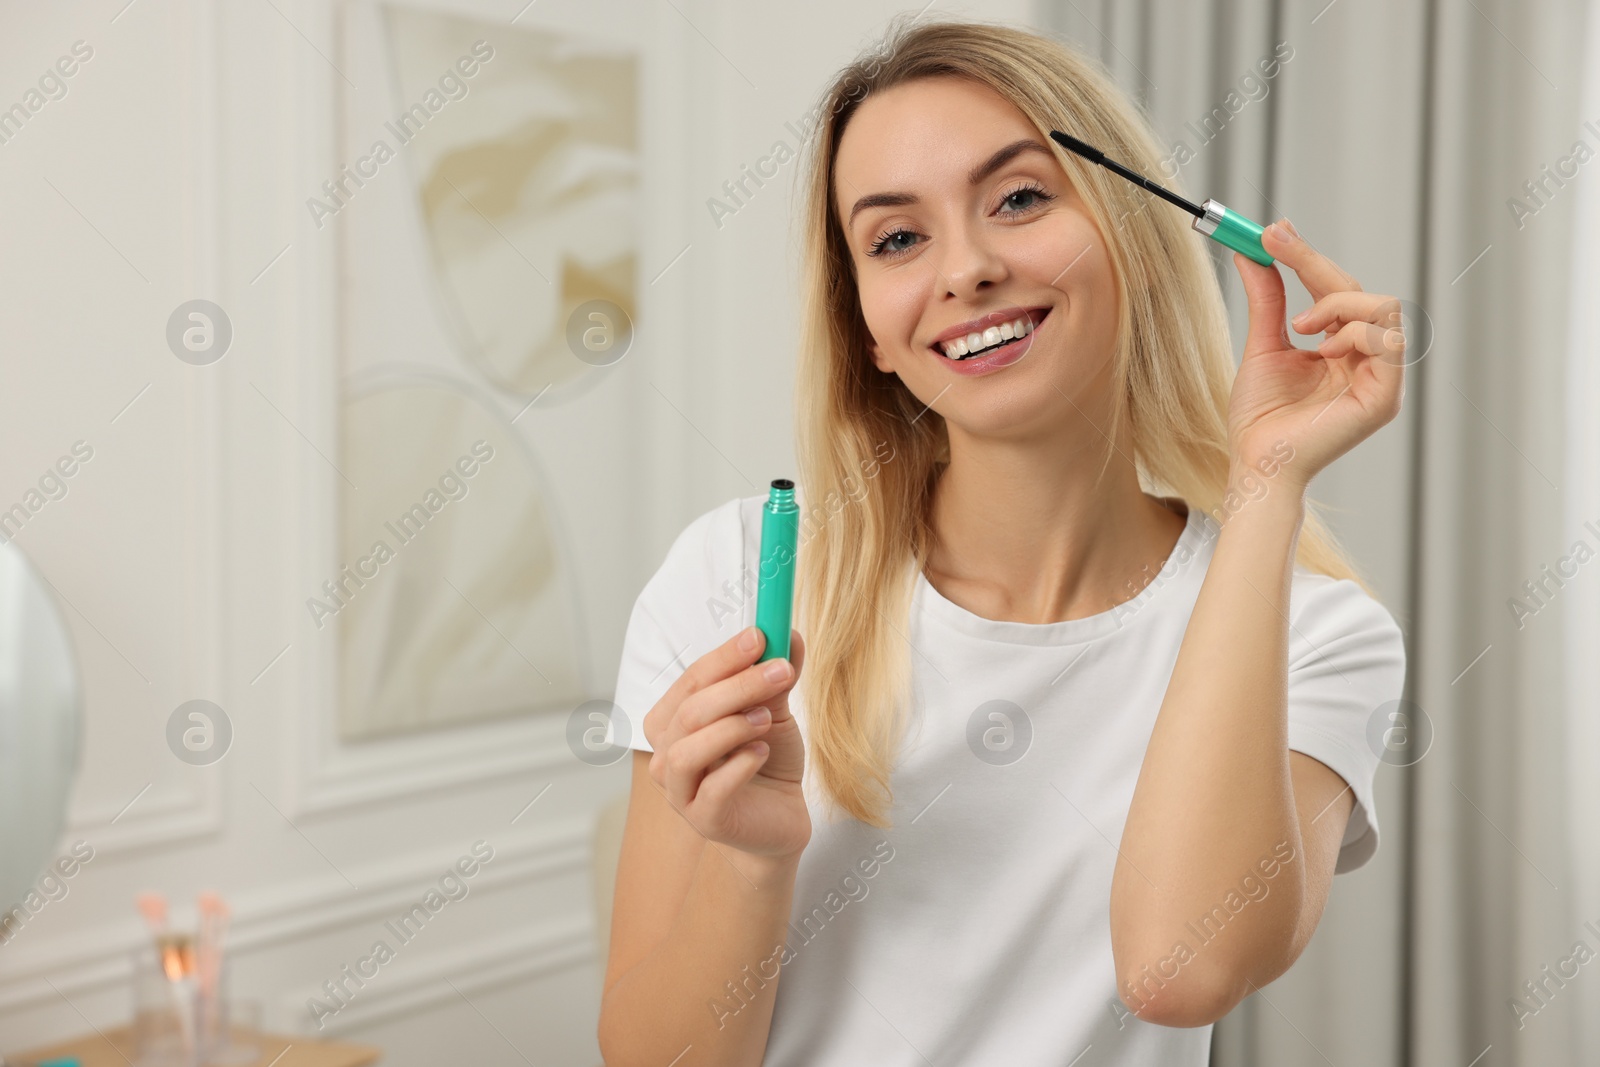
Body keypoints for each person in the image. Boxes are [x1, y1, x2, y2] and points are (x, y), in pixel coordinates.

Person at [597, 16, 1408, 1067]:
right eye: (896, 238)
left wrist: (1263, 493)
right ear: (870, 336)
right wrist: (749, 862)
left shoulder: (1314, 632)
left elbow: (1181, 971)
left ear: (1134, 237)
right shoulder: (736, 580)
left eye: (1019, 198)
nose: (966, 269)